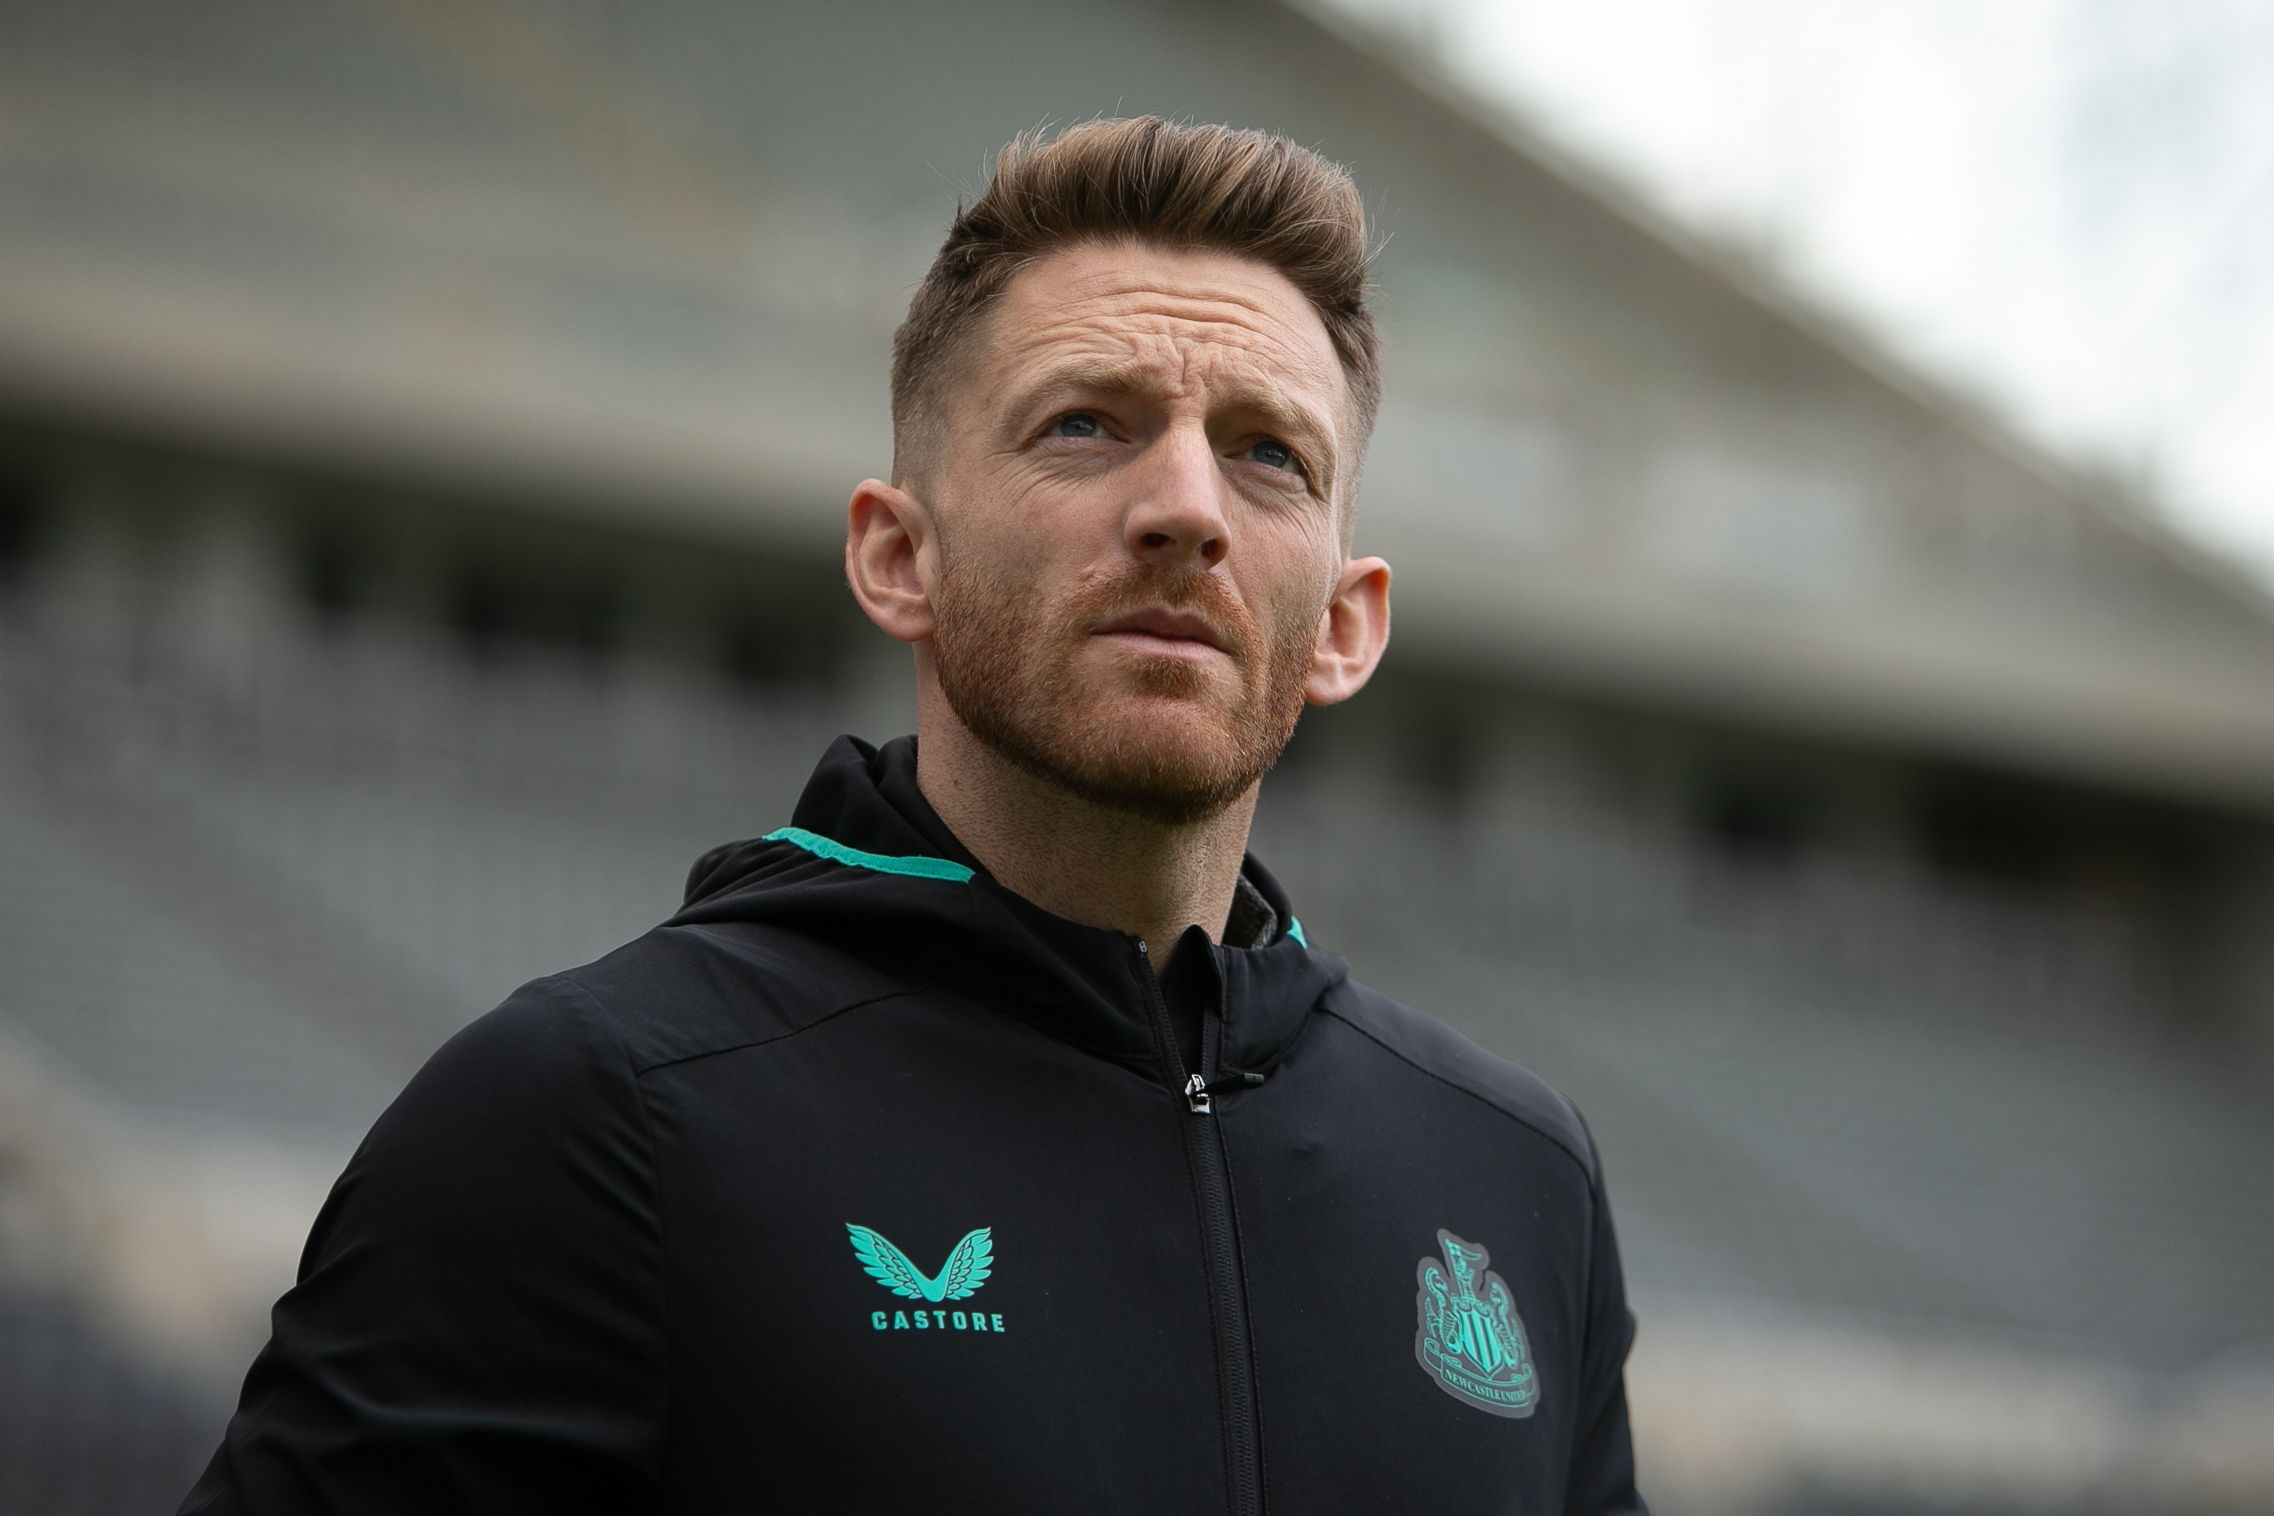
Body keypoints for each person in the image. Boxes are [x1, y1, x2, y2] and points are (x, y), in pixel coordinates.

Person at [182, 116, 1647, 1515]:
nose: (1187, 507)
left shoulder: (1517, 1178)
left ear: (1342, 623)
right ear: (898, 557)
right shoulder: (598, 1115)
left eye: (1269, 453)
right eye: (1086, 425)